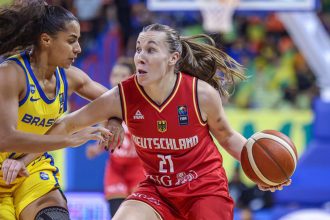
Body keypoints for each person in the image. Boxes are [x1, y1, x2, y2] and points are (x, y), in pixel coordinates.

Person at [48, 23, 291, 220]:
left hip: (204, 190)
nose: (140, 57)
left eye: (151, 50)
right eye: (138, 49)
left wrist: (258, 166)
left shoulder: (201, 94)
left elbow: (227, 137)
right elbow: (69, 124)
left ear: (173, 58)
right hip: (158, 189)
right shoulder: (123, 95)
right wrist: (21, 151)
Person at [0, 1, 122, 219]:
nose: (78, 49)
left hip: (30, 167)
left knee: (54, 216)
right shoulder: (11, 73)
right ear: (46, 40)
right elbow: (6, 138)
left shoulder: (71, 77)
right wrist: (68, 140)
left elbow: (117, 101)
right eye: (71, 41)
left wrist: (115, 121)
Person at [86, 57, 145, 217]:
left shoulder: (143, 104)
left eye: (122, 75)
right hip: (115, 169)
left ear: (133, 77)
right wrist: (96, 148)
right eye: (115, 75)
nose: (117, 79)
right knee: (117, 214)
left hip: (139, 169)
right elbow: (103, 133)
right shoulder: (107, 104)